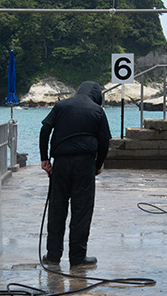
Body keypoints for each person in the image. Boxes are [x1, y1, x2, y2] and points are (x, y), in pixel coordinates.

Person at [39, 80, 112, 268]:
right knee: (81, 211)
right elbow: (104, 142)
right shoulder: (97, 111)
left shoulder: (61, 105)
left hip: (60, 163)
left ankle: (53, 256)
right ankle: (78, 258)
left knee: (57, 209)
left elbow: (45, 129)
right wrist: (98, 165)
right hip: (84, 164)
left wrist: (44, 158)